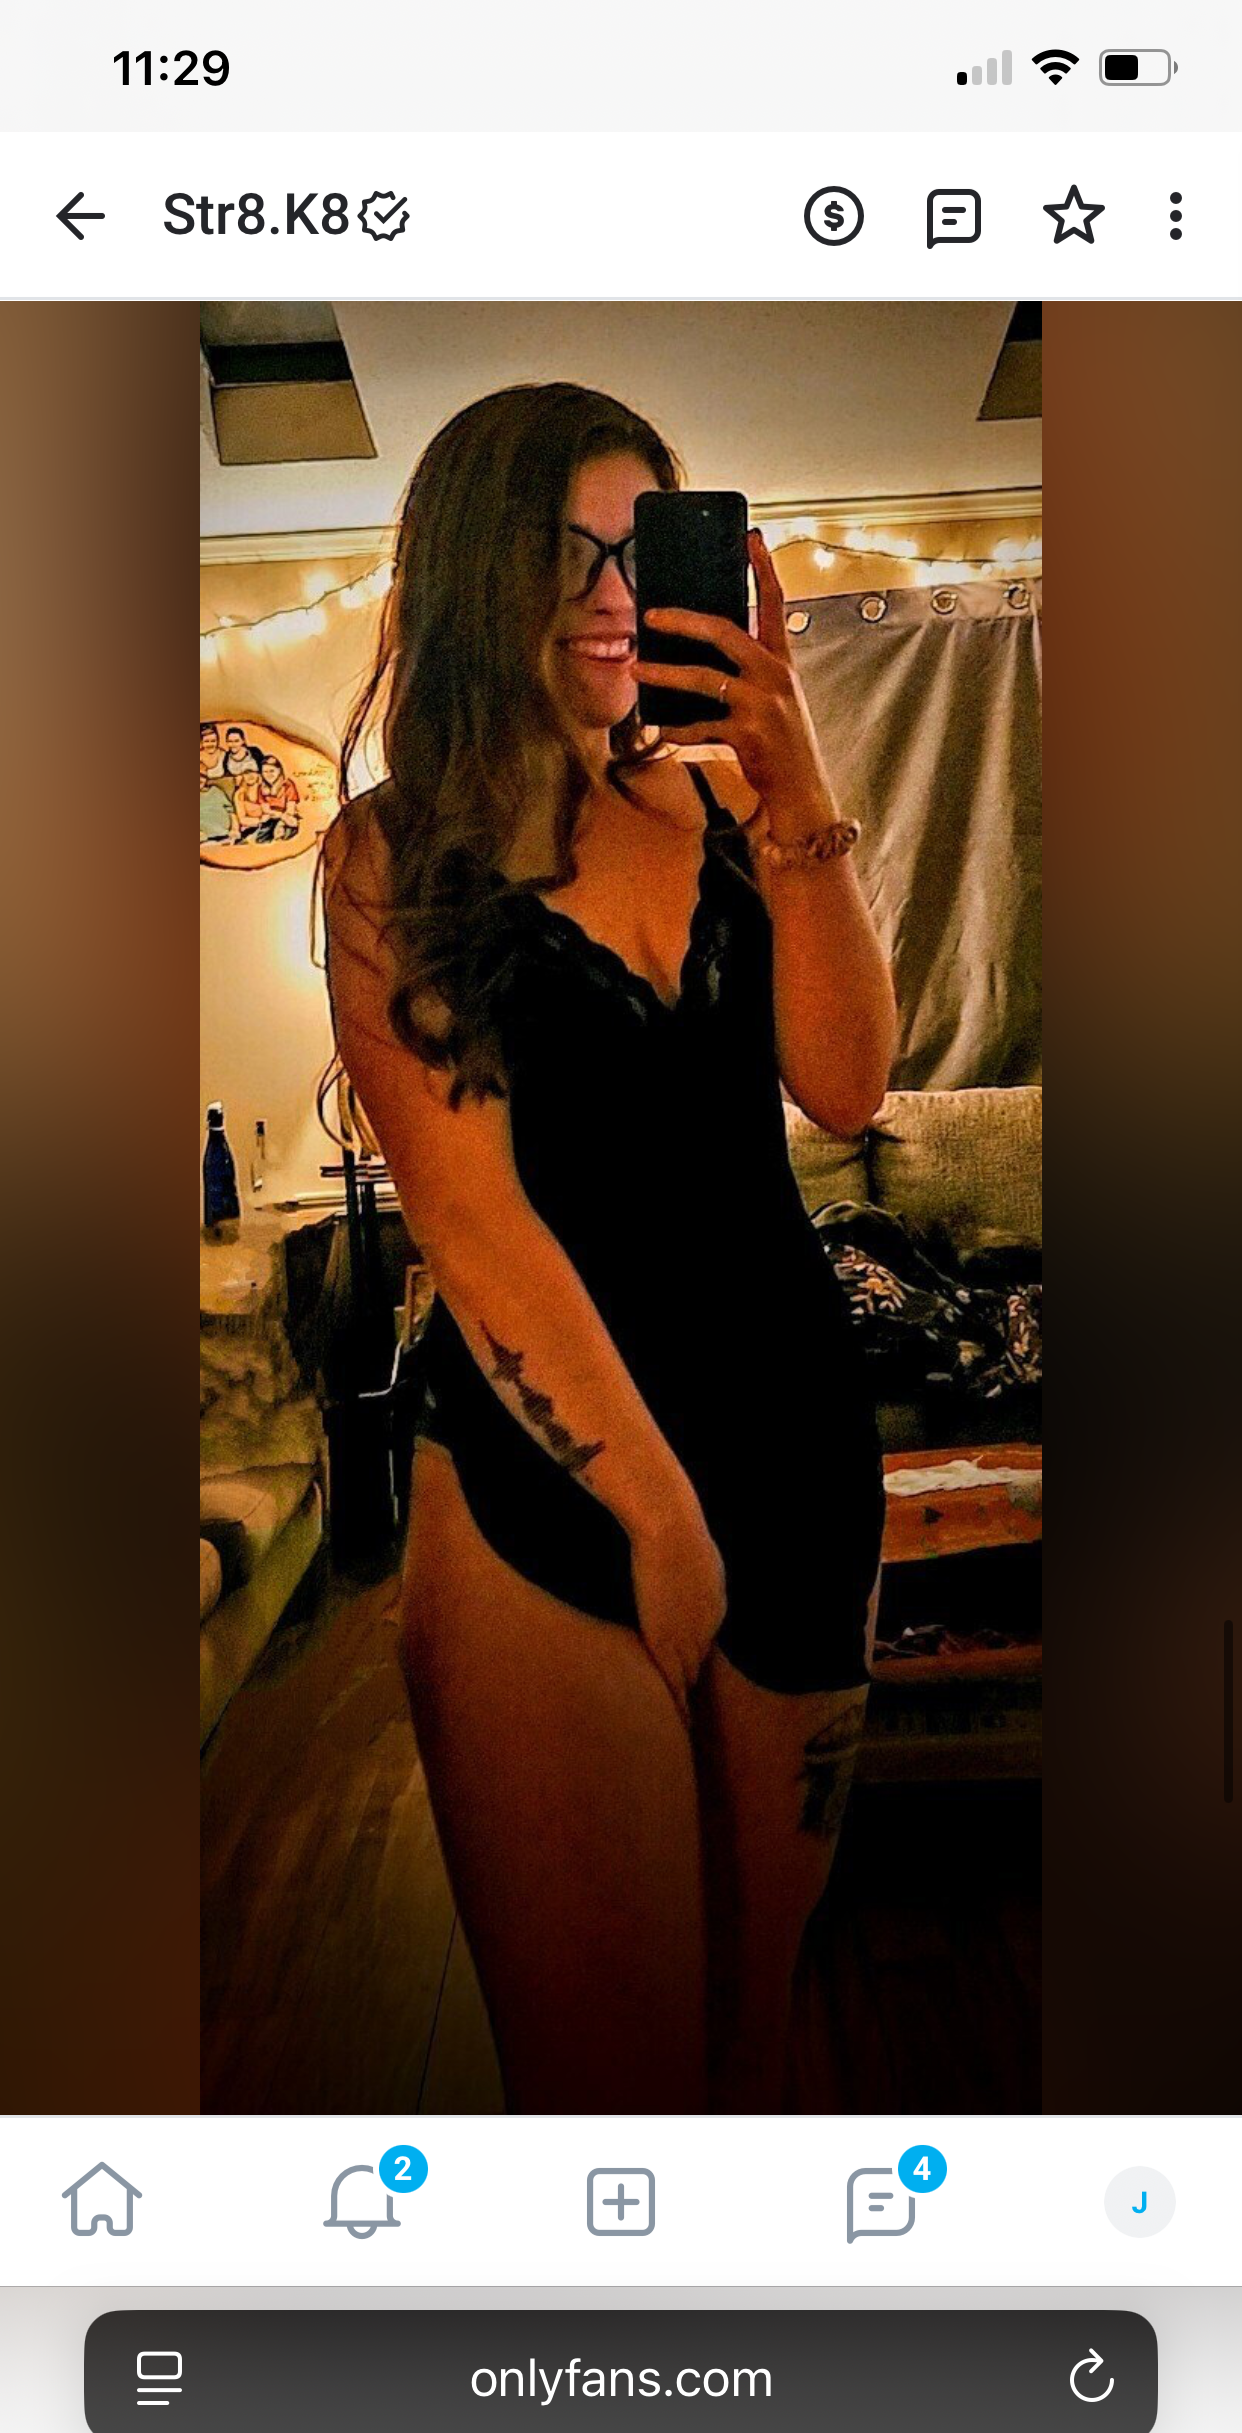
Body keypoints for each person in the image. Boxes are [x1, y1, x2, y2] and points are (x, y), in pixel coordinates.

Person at [323, 383, 896, 2113]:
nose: (610, 595)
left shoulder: (717, 810)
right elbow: (470, 1218)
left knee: (749, 2032)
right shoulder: (389, 857)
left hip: (794, 1448)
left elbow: (847, 1082)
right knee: (609, 2089)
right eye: (560, 551)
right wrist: (655, 1515)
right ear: (470, 575)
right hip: (549, 1475)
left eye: (637, 547)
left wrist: (795, 789)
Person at [199, 767, 236, 843]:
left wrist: (235, 829)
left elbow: (231, 812)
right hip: (204, 839)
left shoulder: (215, 791)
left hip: (226, 836)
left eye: (202, 776)